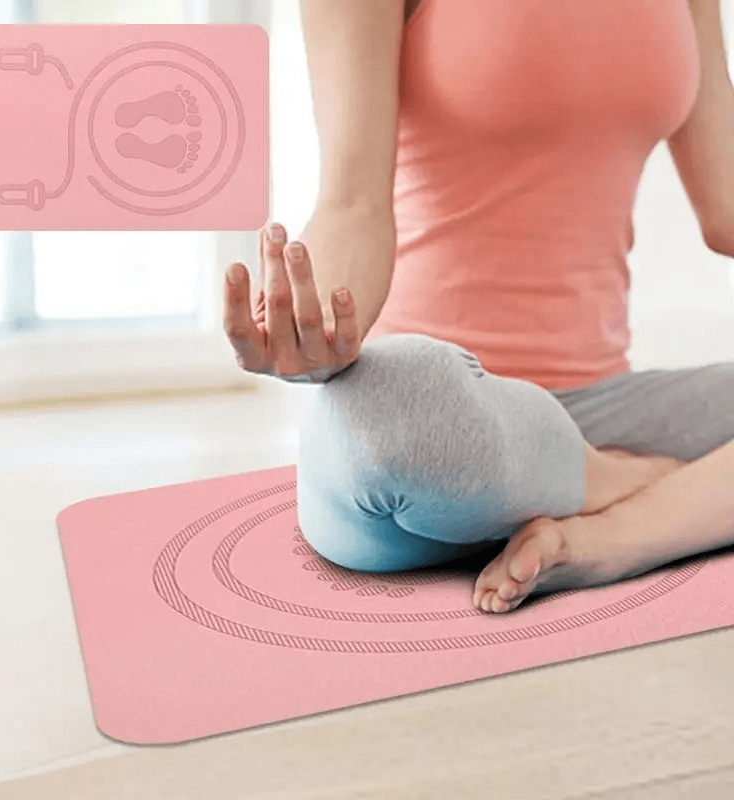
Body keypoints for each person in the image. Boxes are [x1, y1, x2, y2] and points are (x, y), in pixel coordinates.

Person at [223, 0, 734, 614]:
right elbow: (353, 205)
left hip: (604, 407)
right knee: (390, 421)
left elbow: (727, 209)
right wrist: (316, 335)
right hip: (430, 425)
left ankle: (613, 536)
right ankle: (632, 482)